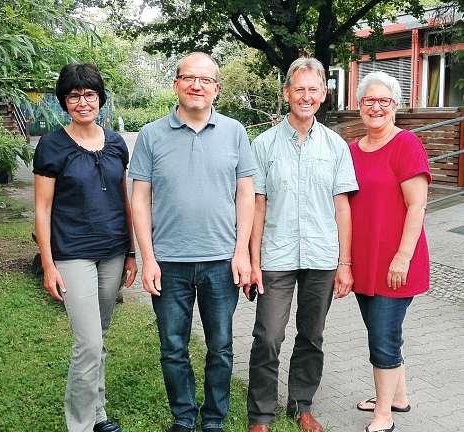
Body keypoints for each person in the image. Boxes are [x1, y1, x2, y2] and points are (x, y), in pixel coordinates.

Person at [129, 52, 256, 432]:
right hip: (168, 262)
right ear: (176, 84)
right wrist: (147, 258)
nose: (197, 85)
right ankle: (184, 418)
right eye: (189, 78)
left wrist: (242, 253)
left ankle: (214, 419)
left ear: (217, 89)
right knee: (173, 347)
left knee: (221, 347)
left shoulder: (235, 132)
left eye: (205, 80)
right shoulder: (152, 135)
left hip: (221, 261)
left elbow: (246, 194)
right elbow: (140, 199)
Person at [245, 57, 358, 432]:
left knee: (312, 335)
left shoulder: (336, 146)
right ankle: (261, 414)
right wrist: (251, 258)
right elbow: (257, 205)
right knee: (268, 335)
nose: (305, 97)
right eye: (299, 89)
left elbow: (342, 205)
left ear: (323, 95)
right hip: (275, 255)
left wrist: (345, 263)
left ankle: (301, 403)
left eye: (313, 90)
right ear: (286, 93)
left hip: (322, 256)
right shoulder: (262, 145)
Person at [34, 63, 137, 432]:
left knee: (99, 336)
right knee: (89, 343)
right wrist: (48, 264)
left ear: (100, 99)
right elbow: (42, 209)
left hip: (112, 251)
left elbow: (125, 200)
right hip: (72, 254)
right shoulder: (52, 145)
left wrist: (130, 252)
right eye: (74, 96)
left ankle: (98, 414)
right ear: (64, 101)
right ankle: (79, 425)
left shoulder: (115, 143)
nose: (83, 102)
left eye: (90, 94)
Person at [349, 71, 431, 432]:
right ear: (360, 105)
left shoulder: (406, 145)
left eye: (384, 101)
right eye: (370, 100)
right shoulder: (351, 150)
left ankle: (384, 413)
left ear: (395, 106)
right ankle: (398, 396)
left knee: (382, 337)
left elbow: (417, 207)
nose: (376, 107)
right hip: (365, 262)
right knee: (385, 333)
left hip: (397, 264)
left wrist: (402, 257)